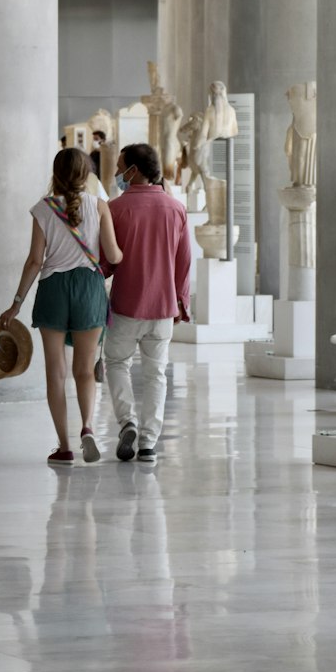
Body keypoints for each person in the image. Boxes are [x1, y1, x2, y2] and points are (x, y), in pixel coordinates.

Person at [0, 148, 122, 466]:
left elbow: (34, 261)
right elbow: (114, 254)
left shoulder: (43, 209)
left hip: (53, 289)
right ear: (86, 175)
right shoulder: (99, 206)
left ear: (56, 173)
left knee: (56, 373)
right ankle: (88, 427)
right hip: (89, 288)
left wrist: (15, 303)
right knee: (84, 370)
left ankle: (64, 446)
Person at [103, 142, 191, 465]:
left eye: (120, 168)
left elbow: (106, 262)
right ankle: (149, 443)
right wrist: (182, 302)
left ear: (133, 171)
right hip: (163, 308)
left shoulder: (115, 209)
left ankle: (127, 421)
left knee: (116, 363)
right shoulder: (176, 209)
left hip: (126, 305)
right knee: (156, 374)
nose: (116, 175)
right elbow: (184, 263)